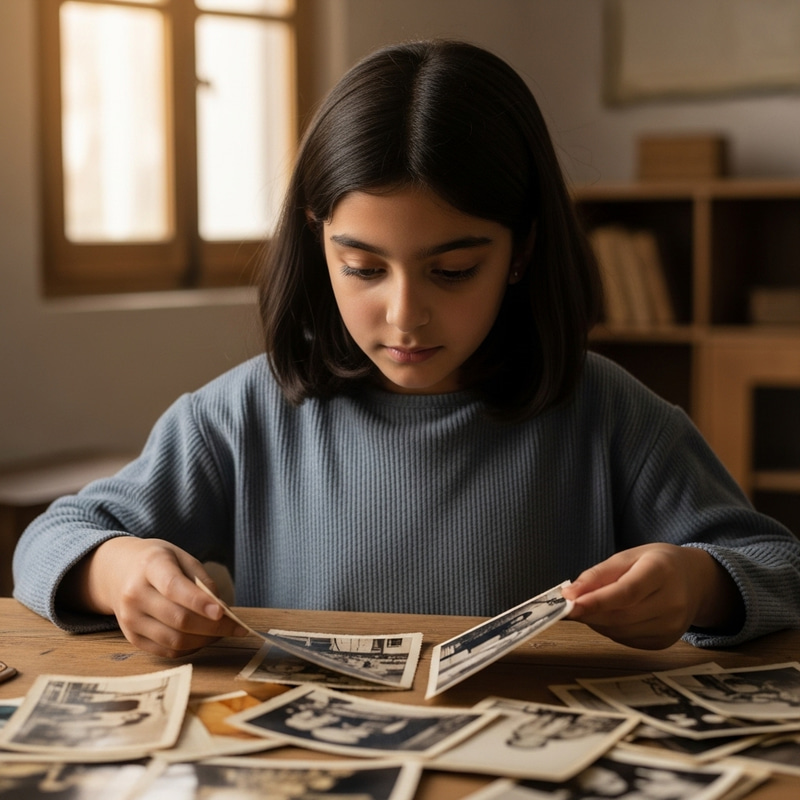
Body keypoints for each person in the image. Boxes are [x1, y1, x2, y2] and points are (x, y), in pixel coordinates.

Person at [12, 39, 800, 659]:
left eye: (453, 270)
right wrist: (117, 572)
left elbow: (776, 562)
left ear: (521, 250)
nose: (405, 315)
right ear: (318, 239)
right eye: (362, 267)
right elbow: (51, 540)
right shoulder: (242, 417)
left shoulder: (606, 414)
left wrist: (701, 585)